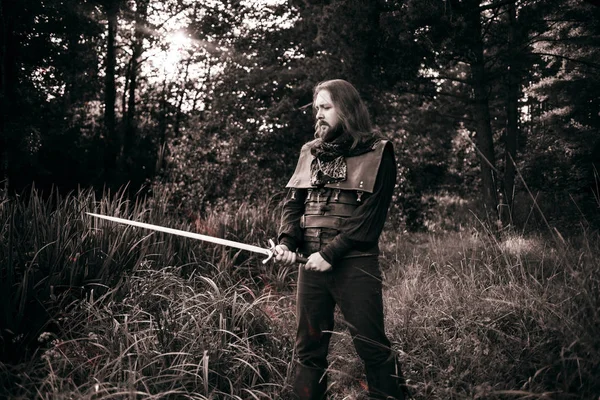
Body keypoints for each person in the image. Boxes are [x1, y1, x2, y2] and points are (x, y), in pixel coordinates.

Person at [274, 79, 409, 400]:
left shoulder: (379, 151)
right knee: (309, 347)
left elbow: (371, 217)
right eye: (316, 108)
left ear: (346, 109)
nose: (318, 115)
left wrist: (332, 253)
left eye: (326, 108)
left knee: (371, 345)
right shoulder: (310, 152)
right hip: (310, 263)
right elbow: (294, 203)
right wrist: (286, 243)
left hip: (354, 262)